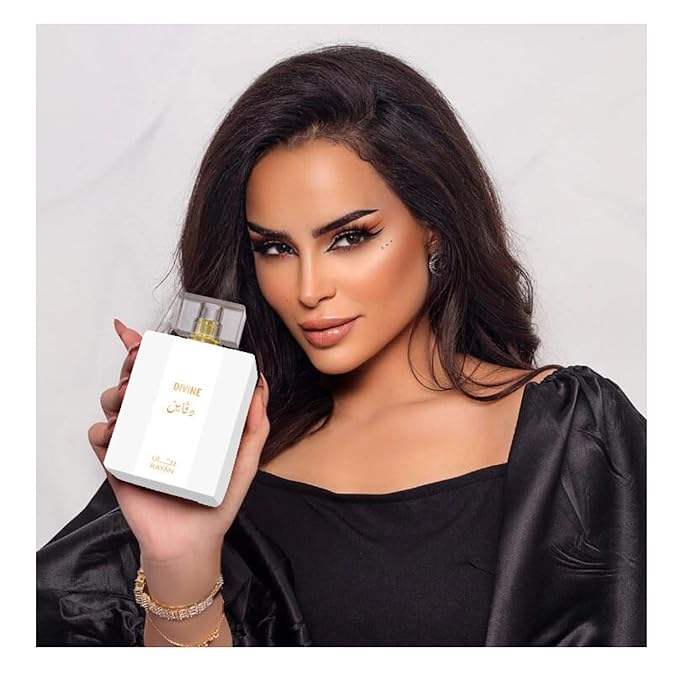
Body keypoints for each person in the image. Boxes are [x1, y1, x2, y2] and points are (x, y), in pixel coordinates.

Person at [36, 43, 646, 647]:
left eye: (349, 238)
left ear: (435, 228)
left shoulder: (570, 434)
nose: (308, 289)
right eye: (275, 248)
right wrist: (180, 559)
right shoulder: (225, 456)